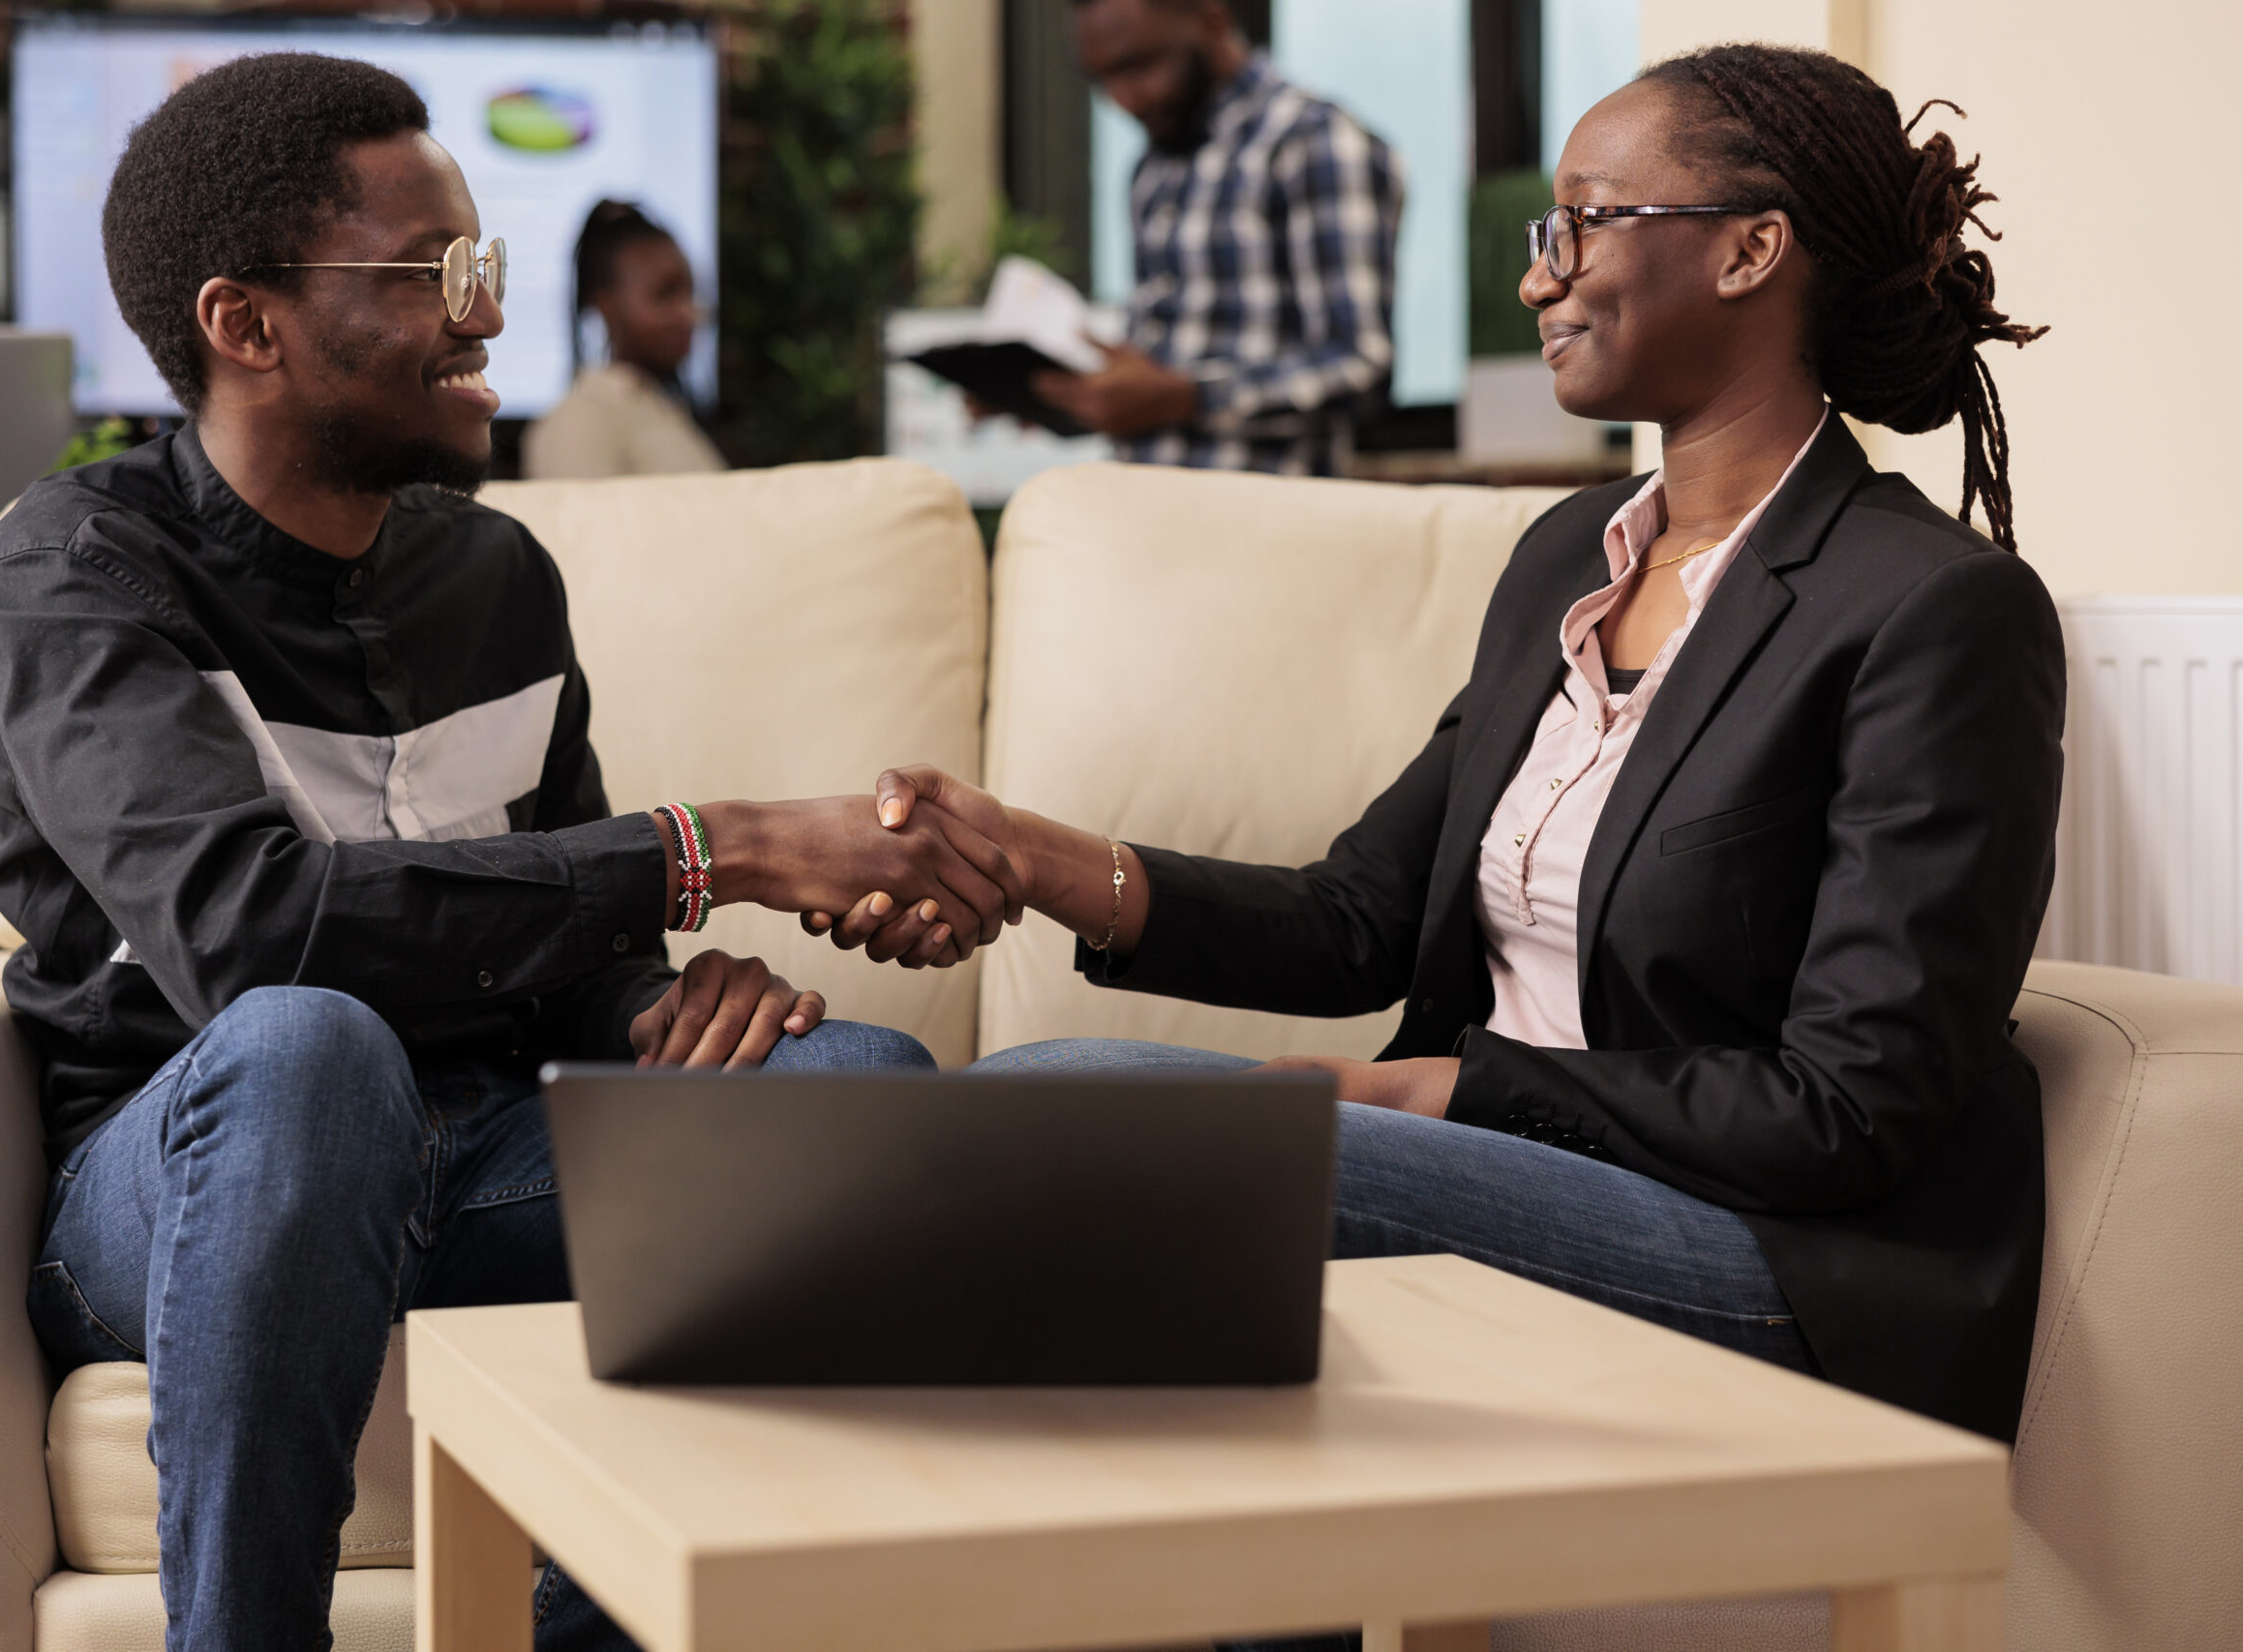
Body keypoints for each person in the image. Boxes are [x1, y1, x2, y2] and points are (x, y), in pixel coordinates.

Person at [830, 44, 2059, 1472]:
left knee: (1074, 1111)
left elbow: (1848, 1108)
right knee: (1092, 1201)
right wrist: (1026, 855)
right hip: (1516, 1169)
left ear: (1751, 251)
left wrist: (1438, 1089)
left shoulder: (1931, 608)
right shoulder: (1565, 559)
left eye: (1586, 222)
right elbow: (1359, 918)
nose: (1541, 275)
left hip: (1775, 1255)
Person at [0, 54, 1011, 1652]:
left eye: (488, 267)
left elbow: (575, 960)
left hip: (487, 1149)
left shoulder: (498, 575)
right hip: (191, 1179)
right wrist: (699, 850)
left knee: (848, 1085)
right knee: (311, 1043)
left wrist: (664, 1011)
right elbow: (258, 937)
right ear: (249, 325)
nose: (490, 317)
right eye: (440, 273)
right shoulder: (77, 566)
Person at [1039, 0, 1403, 475]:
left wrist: (1189, 398)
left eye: (1140, 65)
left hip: (1260, 523)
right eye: (1102, 78)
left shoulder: (1314, 142)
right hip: (1139, 509)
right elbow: (1158, 369)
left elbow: (1361, 368)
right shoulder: (1152, 170)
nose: (1123, 98)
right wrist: (1063, 397)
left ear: (1212, 21)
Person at [522, 198, 726, 480]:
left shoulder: (660, 408)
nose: (687, 313)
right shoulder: (580, 418)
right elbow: (577, 524)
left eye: (689, 293)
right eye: (665, 294)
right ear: (605, 304)